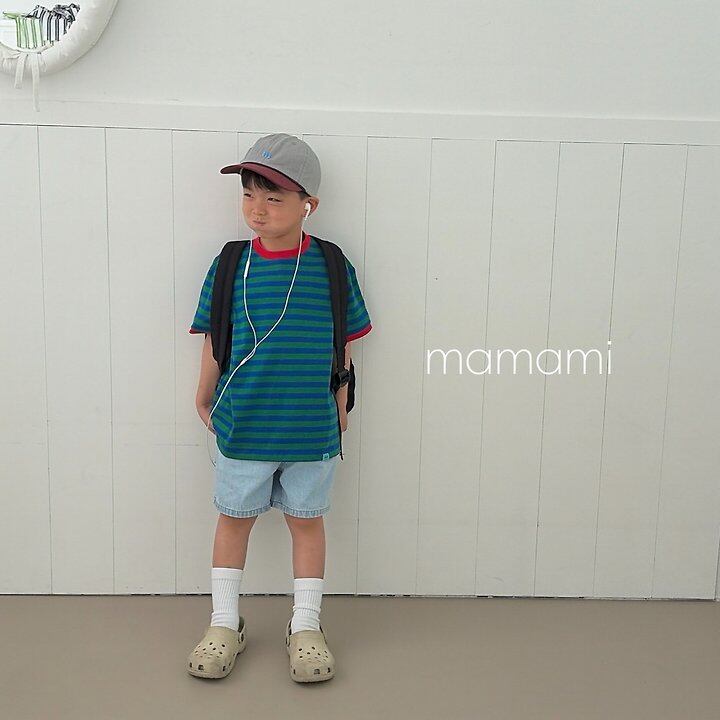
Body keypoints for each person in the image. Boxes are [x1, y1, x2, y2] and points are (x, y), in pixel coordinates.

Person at [185, 133, 372, 682]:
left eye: (274, 197)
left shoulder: (331, 265)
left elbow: (343, 345)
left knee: (307, 525)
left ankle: (306, 625)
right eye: (249, 195)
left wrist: (341, 411)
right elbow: (215, 339)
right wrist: (202, 393)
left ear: (307, 205)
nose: (258, 209)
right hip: (243, 427)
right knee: (233, 521)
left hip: (311, 432)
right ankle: (224, 623)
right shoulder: (229, 265)